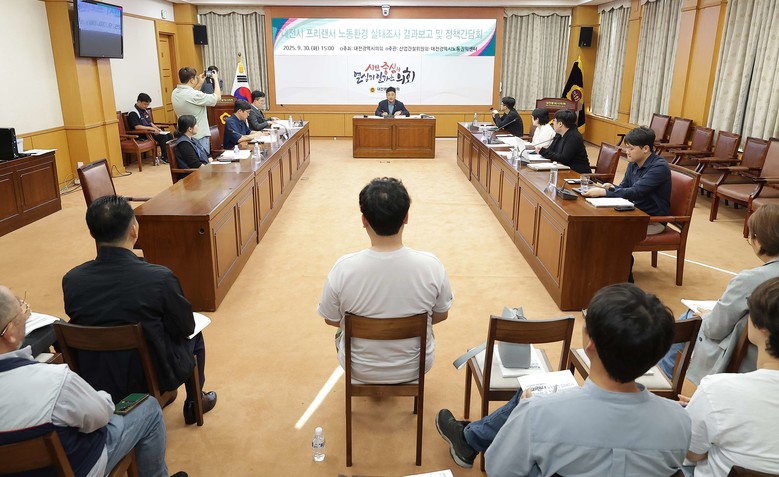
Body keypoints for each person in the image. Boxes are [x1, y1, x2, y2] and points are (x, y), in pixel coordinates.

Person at [435, 283, 690, 475]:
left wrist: (523, 411)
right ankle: (468, 438)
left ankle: (468, 439)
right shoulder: (679, 421)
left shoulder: (538, 414)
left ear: (590, 344)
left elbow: (498, 469)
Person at [0, 286, 187, 477]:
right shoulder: (55, 380)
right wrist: (101, 397)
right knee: (149, 409)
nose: (24, 313)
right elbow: (101, 417)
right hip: (77, 469)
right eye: (20, 310)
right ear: (10, 333)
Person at [62, 196, 217, 425]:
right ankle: (195, 403)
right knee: (196, 334)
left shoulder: (72, 280)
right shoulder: (159, 278)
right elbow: (185, 327)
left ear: (93, 233)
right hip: (150, 376)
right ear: (134, 230)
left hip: (95, 377)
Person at [317, 177, 453, 384]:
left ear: (364, 220)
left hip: (358, 367)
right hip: (415, 367)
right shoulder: (431, 265)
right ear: (406, 217)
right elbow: (441, 315)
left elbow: (331, 319)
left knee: (340, 331)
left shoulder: (343, 268)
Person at [659, 203, 779, 383]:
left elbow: (714, 329)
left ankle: (665, 381)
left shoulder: (750, 280)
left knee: (690, 317)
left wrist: (707, 315)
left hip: (751, 355)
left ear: (759, 239)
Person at [683, 276, 779, 476]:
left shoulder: (717, 390)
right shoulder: (718, 392)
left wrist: (709, 406)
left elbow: (691, 453)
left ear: (762, 326)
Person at [584, 126, 672, 236]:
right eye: (626, 148)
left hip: (651, 220)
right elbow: (624, 187)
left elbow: (636, 192)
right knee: (595, 221)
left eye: (631, 148)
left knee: (606, 230)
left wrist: (604, 192)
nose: (627, 152)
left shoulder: (659, 167)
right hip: (632, 212)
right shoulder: (634, 162)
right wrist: (612, 188)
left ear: (645, 148)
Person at [172, 66, 220, 153]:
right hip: (199, 135)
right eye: (195, 78)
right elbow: (217, 98)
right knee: (203, 160)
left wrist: (200, 83)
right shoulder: (194, 95)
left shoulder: (175, 92)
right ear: (191, 80)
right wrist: (215, 79)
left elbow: (190, 95)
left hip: (184, 136)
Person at [536, 109, 590, 173]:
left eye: (554, 120)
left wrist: (543, 152)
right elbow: (551, 150)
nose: (552, 123)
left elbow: (564, 158)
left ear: (560, 124)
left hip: (577, 173)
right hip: (564, 169)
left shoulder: (573, 137)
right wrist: (542, 150)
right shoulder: (559, 134)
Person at [126, 93, 172, 164]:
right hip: (142, 134)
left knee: (169, 135)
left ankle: (170, 155)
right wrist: (151, 129)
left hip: (150, 132)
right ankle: (164, 157)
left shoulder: (144, 111)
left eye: (148, 104)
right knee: (163, 137)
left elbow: (150, 122)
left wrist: (157, 128)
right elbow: (137, 127)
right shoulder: (133, 113)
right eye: (145, 104)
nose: (146, 106)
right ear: (139, 101)